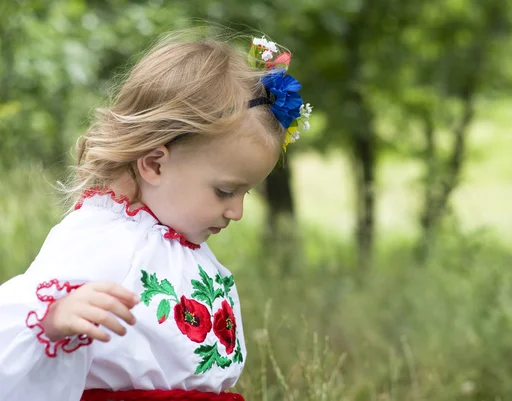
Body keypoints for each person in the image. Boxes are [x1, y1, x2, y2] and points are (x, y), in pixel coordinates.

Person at [0, 30, 312, 401]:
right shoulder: (104, 235)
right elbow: (18, 318)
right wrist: (52, 320)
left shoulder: (176, 242)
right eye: (225, 191)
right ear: (154, 165)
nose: (237, 211)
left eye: (247, 192)